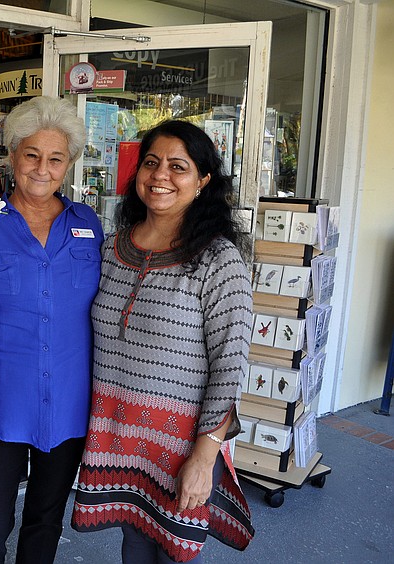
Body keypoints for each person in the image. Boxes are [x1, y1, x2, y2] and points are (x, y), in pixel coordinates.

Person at [70, 119, 255, 563]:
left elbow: (230, 366)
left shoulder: (217, 258)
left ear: (202, 181)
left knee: (172, 551)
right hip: (121, 439)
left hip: (180, 446)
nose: (160, 176)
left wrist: (204, 457)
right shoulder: (112, 248)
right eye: (151, 163)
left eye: (178, 167)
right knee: (134, 545)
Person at [0, 96, 103, 564]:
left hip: (70, 399)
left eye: (55, 158)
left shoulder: (87, 225)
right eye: (31, 155)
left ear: (69, 164)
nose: (42, 168)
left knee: (46, 519)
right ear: (12, 157)